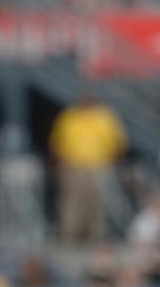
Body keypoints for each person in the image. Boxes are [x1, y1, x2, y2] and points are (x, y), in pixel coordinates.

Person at [49, 91, 128, 242]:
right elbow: (57, 144)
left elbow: (119, 144)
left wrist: (113, 163)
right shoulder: (69, 116)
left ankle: (97, 237)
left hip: (100, 165)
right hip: (73, 166)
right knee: (72, 203)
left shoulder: (105, 117)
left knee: (98, 203)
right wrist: (58, 166)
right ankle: (70, 235)